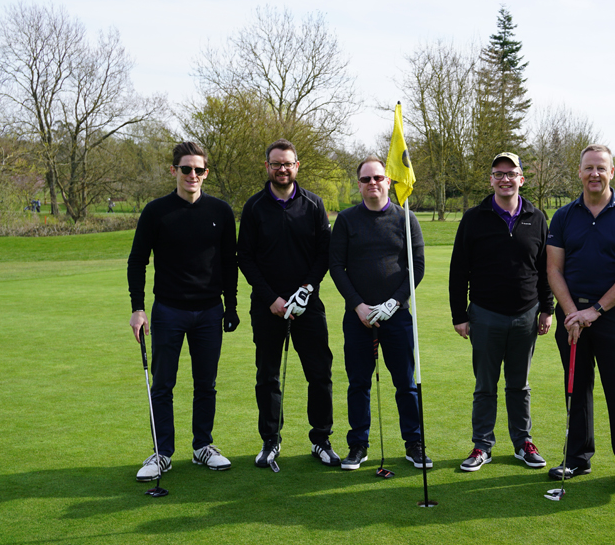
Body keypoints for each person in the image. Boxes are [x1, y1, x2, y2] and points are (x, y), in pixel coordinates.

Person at [127, 141, 238, 482]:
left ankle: (203, 446)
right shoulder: (156, 211)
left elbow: (229, 265)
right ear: (173, 171)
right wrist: (138, 309)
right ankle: (162, 453)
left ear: (206, 173)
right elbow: (137, 261)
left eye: (199, 169)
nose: (193, 175)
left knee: (206, 384)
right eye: (186, 169)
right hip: (167, 311)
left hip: (208, 311)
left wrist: (231, 306)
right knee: (162, 385)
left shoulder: (220, 211)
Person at [546, 143, 615, 493]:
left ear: (612, 172)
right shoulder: (563, 216)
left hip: (612, 318)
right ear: (579, 172)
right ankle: (577, 457)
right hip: (573, 319)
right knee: (577, 388)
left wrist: (595, 310)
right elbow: (553, 269)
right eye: (588, 168)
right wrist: (572, 311)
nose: (594, 174)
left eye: (601, 168)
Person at [237, 139, 339, 469]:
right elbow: (246, 258)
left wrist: (306, 289)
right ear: (267, 167)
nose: (282, 169)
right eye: (276, 163)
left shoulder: (313, 204)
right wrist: (271, 299)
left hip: (308, 304)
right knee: (267, 376)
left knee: (320, 374)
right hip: (267, 308)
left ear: (297, 166)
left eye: (288, 163)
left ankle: (321, 439)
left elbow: (325, 253)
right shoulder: (254, 207)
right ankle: (270, 441)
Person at [449, 151, 553, 472]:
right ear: (491, 179)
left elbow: (546, 268)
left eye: (511, 173)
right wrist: (459, 315)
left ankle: (522, 442)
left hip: (526, 315)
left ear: (522, 179)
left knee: (519, 385)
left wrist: (547, 309)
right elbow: (458, 271)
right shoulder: (473, 217)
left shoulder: (537, 217)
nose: (505, 179)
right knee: (485, 385)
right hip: (484, 314)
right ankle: (482, 445)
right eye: (499, 173)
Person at [328, 156, 430, 471]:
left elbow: (418, 266)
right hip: (358, 317)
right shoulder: (346, 220)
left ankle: (414, 443)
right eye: (366, 179)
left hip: (397, 317)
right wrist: (358, 304)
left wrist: (394, 303)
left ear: (389, 181)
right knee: (359, 383)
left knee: (406, 383)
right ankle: (358, 445)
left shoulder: (406, 218)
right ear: (359, 184)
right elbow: (336, 266)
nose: (373, 183)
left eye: (378, 178)